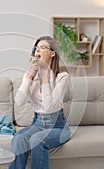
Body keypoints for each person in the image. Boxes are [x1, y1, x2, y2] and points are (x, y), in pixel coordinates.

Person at [9, 36, 71, 169]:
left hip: (57, 127)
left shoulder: (62, 77)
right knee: (19, 138)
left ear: (52, 53)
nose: (38, 50)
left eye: (42, 47)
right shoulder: (32, 76)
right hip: (37, 123)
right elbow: (19, 102)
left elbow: (49, 107)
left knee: (37, 140)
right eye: (36, 48)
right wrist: (29, 77)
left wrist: (45, 79)